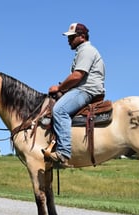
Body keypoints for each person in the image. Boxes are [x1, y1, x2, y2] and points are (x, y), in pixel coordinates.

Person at [46, 22, 106, 166]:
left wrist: (59, 88)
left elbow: (77, 76)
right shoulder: (83, 51)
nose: (69, 40)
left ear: (82, 37)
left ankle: (63, 152)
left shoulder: (86, 51)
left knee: (59, 110)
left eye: (72, 37)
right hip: (85, 89)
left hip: (87, 90)